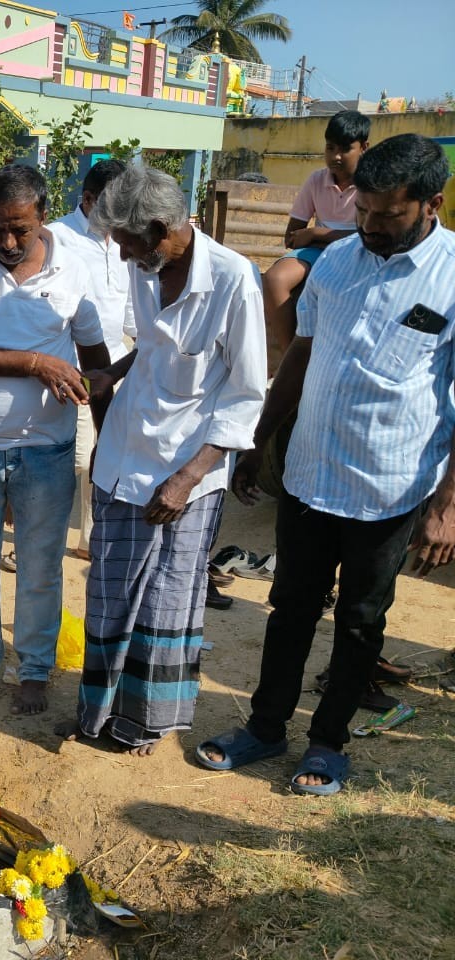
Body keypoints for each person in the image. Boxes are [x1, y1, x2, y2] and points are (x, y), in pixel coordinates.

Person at [197, 134, 455, 794]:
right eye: (363, 211)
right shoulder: (336, 262)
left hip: (391, 486)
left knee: (362, 620)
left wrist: (447, 506)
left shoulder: (452, 277)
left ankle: (328, 742)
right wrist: (258, 438)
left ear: (432, 203)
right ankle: (263, 727)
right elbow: (302, 357)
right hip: (311, 473)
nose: (369, 226)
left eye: (387, 215)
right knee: (289, 608)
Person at [63, 166, 267, 757]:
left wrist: (188, 476)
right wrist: (113, 373)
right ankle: (97, 715)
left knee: (166, 600)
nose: (122, 254)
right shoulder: (144, 268)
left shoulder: (233, 282)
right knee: (110, 591)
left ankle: (144, 725)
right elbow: (153, 348)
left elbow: (245, 394)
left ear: (158, 228)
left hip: (187, 475)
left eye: (127, 241)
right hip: (125, 457)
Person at [0, 163, 110, 715]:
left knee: (39, 566)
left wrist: (107, 435)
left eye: (20, 230)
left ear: (41, 216)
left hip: (47, 447)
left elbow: (98, 358)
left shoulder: (75, 268)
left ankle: (33, 666)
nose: (8, 242)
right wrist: (36, 363)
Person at [47, 158, 136, 564]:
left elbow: (131, 304)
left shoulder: (125, 240)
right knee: (79, 458)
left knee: (111, 450)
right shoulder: (58, 238)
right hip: (76, 365)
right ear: (88, 199)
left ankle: (90, 539)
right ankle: (39, 539)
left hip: (118, 361)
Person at [262, 110, 370, 363]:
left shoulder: (372, 185)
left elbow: (367, 238)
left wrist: (316, 233)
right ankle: (292, 359)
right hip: (318, 253)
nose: (336, 156)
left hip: (358, 253)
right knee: (275, 278)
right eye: (330, 148)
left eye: (345, 149)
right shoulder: (316, 180)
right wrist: (318, 238)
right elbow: (291, 237)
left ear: (364, 147)